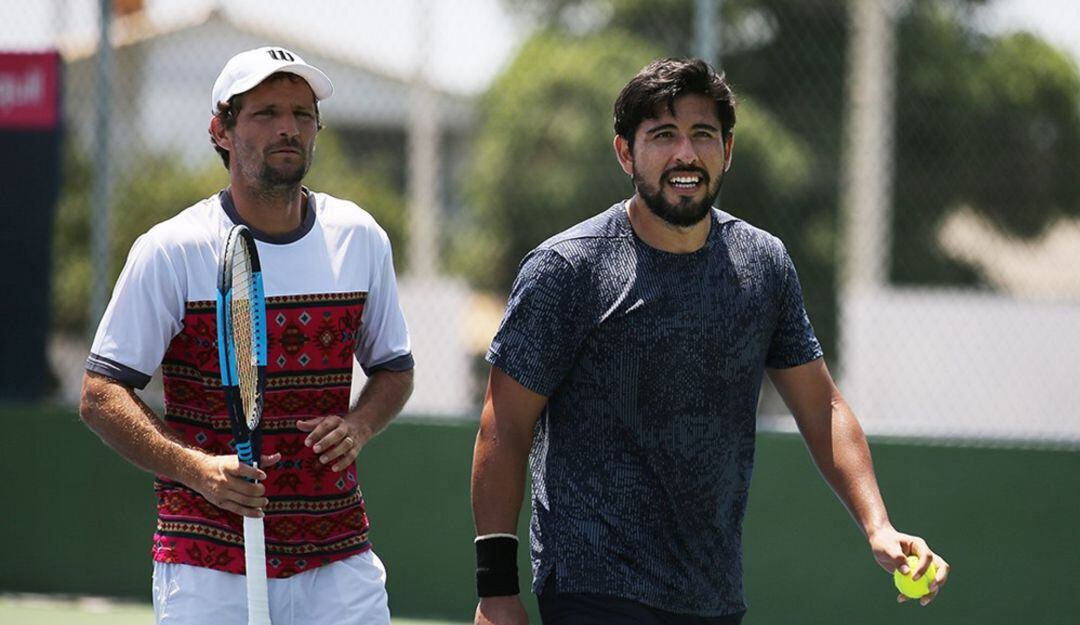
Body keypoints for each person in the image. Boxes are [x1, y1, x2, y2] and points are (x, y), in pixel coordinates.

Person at [470, 57, 950, 625]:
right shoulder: (567, 269)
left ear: (728, 150)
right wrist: (496, 591)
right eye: (663, 136)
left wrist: (879, 524)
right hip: (592, 585)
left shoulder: (763, 263)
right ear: (626, 152)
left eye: (703, 135)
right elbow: (505, 423)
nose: (685, 155)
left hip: (712, 594)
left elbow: (823, 406)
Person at [79, 46, 414, 625]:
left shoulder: (360, 238)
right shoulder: (172, 249)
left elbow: (395, 368)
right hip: (206, 561)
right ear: (222, 130)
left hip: (338, 557)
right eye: (265, 113)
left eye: (302, 114)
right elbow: (100, 393)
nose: (288, 128)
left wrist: (359, 424)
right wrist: (194, 468)